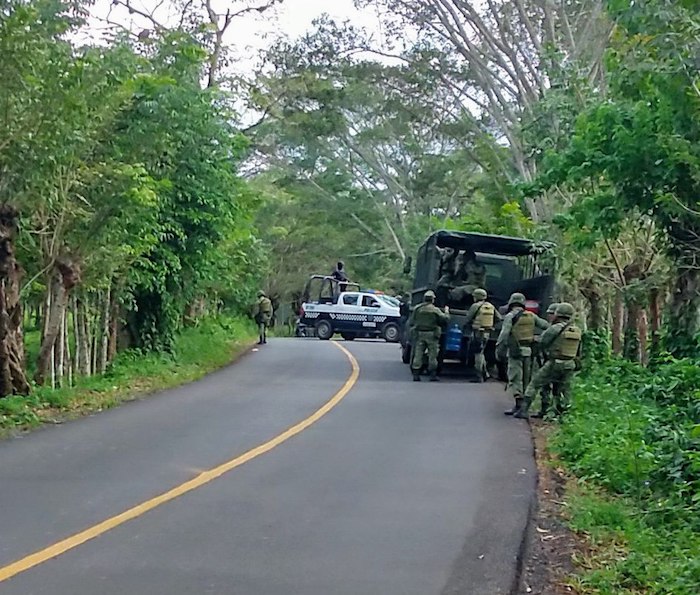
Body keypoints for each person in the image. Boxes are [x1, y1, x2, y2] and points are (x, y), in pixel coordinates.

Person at [516, 303, 582, 419]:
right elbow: (578, 351)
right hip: (569, 364)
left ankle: (523, 410)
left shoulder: (555, 328)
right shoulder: (576, 330)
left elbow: (542, 342)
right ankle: (562, 414)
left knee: (535, 384)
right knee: (564, 389)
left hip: (555, 363)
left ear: (558, 314)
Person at [496, 292, 549, 415]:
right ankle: (524, 407)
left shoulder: (510, 316)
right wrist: (538, 338)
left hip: (515, 352)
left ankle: (519, 406)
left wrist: (499, 350)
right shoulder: (531, 315)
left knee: (515, 378)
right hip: (528, 351)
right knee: (526, 379)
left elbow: (504, 335)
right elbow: (547, 326)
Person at [409, 290, 449, 382]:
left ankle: (416, 374)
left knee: (418, 354)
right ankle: (432, 375)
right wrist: (447, 311)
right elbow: (445, 319)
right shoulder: (434, 309)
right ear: (432, 299)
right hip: (432, 335)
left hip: (420, 333)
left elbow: (412, 321)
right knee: (433, 355)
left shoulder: (417, 308)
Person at [464, 287, 502, 382]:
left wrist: (469, 325)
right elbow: (499, 318)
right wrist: (490, 324)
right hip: (487, 332)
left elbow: (468, 318)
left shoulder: (475, 306)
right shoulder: (491, 306)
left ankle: (479, 376)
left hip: (478, 333)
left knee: (477, 354)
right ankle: (485, 374)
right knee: (481, 352)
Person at [531, 303, 560, 418]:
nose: (549, 316)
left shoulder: (553, 328)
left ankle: (541, 410)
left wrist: (536, 340)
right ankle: (557, 412)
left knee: (539, 384)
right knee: (558, 389)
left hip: (551, 362)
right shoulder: (571, 328)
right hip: (566, 363)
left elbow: (543, 342)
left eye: (551, 314)